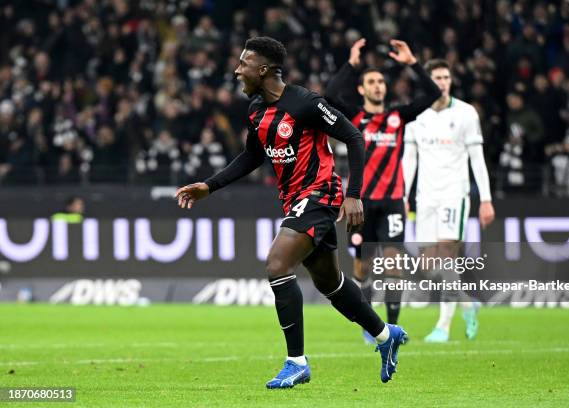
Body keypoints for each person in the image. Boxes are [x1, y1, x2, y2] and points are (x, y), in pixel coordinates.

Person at [174, 37, 407, 388]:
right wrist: (210, 186)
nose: (238, 70)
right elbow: (253, 155)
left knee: (277, 264)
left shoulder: (305, 102)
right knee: (330, 283)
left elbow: (354, 137)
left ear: (264, 69)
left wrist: (354, 194)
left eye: (244, 63)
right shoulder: (255, 109)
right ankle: (384, 335)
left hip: (321, 193)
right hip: (293, 198)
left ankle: (296, 361)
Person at [326, 38, 440, 341]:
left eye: (380, 82)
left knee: (393, 264)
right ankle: (368, 323)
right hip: (360, 204)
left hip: (392, 202)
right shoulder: (354, 117)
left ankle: (391, 328)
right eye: (371, 82)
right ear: (362, 89)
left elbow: (433, 93)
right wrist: (351, 64)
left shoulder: (398, 117)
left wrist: (412, 62)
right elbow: (329, 95)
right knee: (362, 267)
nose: (378, 86)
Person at [403, 59, 495, 343]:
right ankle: (468, 303)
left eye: (446, 77)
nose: (442, 83)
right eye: (437, 78)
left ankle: (443, 325)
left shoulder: (466, 113)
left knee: (446, 256)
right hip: (425, 197)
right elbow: (409, 160)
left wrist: (486, 199)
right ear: (428, 82)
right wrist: (404, 196)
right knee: (431, 266)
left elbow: (477, 160)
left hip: (455, 194)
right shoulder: (415, 116)